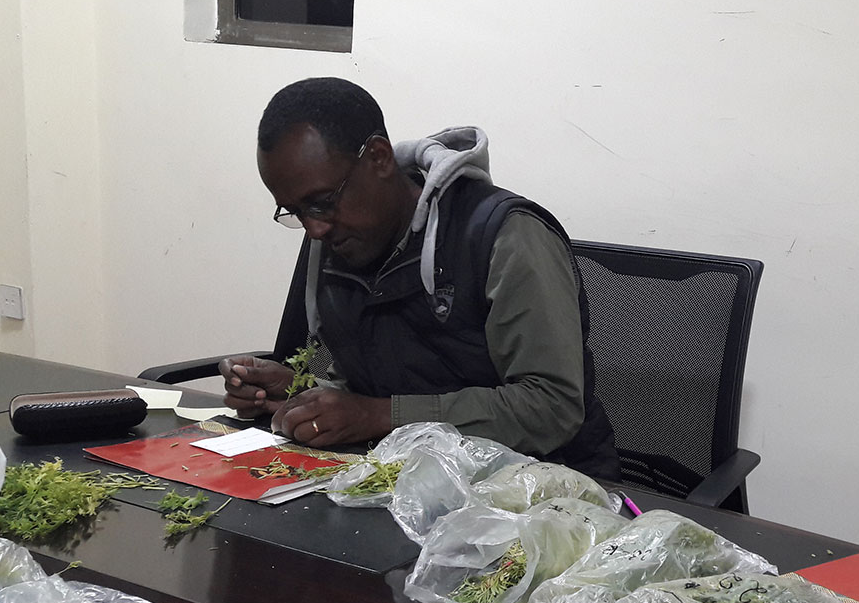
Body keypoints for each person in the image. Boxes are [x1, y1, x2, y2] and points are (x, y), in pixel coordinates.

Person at [220, 77, 619, 480]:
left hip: (543, 493)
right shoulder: (339, 242)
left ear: (378, 158)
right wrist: (300, 393)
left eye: (322, 203)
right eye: (294, 212)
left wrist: (376, 416)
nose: (314, 229)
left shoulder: (505, 236)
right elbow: (378, 383)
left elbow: (552, 407)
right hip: (405, 483)